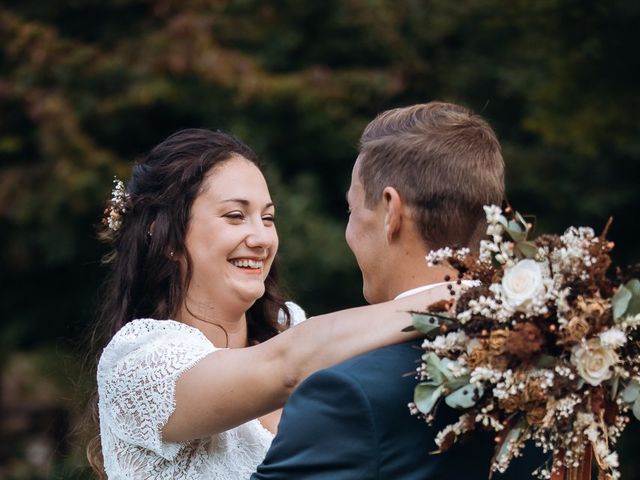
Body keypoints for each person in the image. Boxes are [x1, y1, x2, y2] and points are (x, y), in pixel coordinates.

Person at [87, 128, 459, 479]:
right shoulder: (137, 365)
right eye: (236, 216)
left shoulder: (291, 326)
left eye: (268, 218)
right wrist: (453, 298)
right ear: (166, 236)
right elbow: (285, 367)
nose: (262, 237)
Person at [252, 102, 544, 479]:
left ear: (391, 210)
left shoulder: (346, 395)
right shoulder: (555, 364)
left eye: (352, 211)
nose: (349, 233)